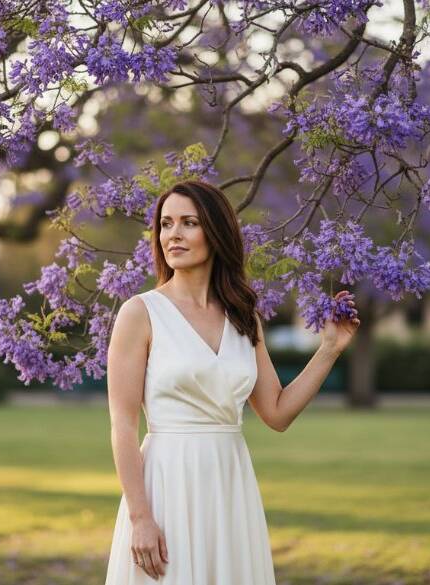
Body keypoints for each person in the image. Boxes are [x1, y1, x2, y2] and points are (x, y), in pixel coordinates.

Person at [104, 180, 360, 583]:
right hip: (167, 484)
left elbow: (276, 412)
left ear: (216, 231)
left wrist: (329, 348)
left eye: (188, 223)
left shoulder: (244, 316)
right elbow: (122, 424)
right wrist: (140, 517)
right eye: (166, 224)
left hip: (230, 481)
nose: (173, 234)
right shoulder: (140, 313)